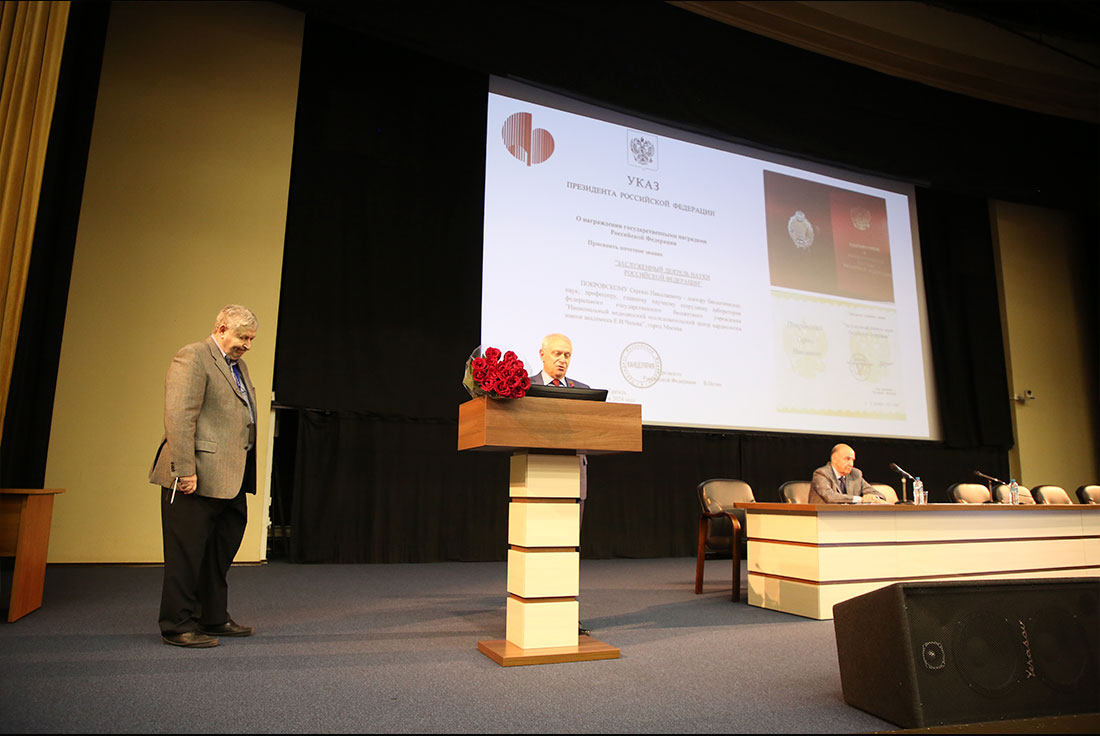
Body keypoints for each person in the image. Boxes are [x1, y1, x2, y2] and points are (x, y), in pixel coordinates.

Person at [149, 305, 259, 647]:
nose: (247, 345)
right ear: (222, 329)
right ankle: (177, 625)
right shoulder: (194, 356)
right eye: (243, 337)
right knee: (186, 555)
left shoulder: (238, 366)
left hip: (230, 477)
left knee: (218, 553)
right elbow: (179, 416)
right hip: (195, 475)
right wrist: (184, 470)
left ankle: (212, 617)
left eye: (251, 339)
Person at [529, 333, 592, 635]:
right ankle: (535, 611)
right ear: (542, 354)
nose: (562, 360)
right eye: (556, 353)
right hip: (537, 473)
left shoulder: (584, 391)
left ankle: (567, 612)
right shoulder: (525, 388)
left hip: (573, 472)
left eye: (567, 355)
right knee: (537, 544)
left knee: (568, 547)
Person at [808, 443, 888, 504]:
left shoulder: (855, 474)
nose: (851, 464)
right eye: (847, 459)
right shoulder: (821, 474)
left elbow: (879, 494)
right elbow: (830, 497)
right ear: (834, 459)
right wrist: (860, 499)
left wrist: (873, 497)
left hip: (849, 516)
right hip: (822, 517)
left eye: (853, 460)